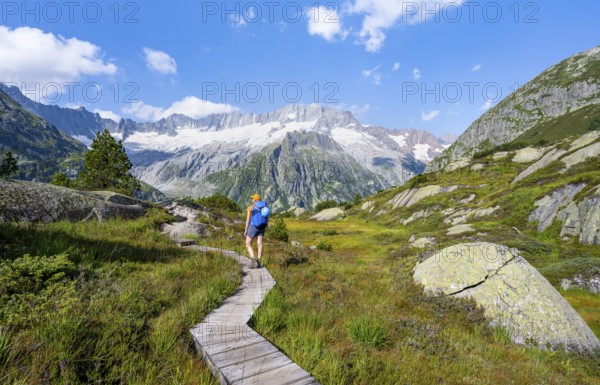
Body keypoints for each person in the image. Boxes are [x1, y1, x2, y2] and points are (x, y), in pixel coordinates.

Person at [245, 194, 268, 268]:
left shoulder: (250, 207)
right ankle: (259, 261)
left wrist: (246, 230)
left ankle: (253, 260)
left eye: (252, 198)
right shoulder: (264, 206)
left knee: (248, 243)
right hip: (262, 226)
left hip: (253, 226)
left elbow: (248, 219)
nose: (251, 199)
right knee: (260, 244)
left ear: (254, 200)